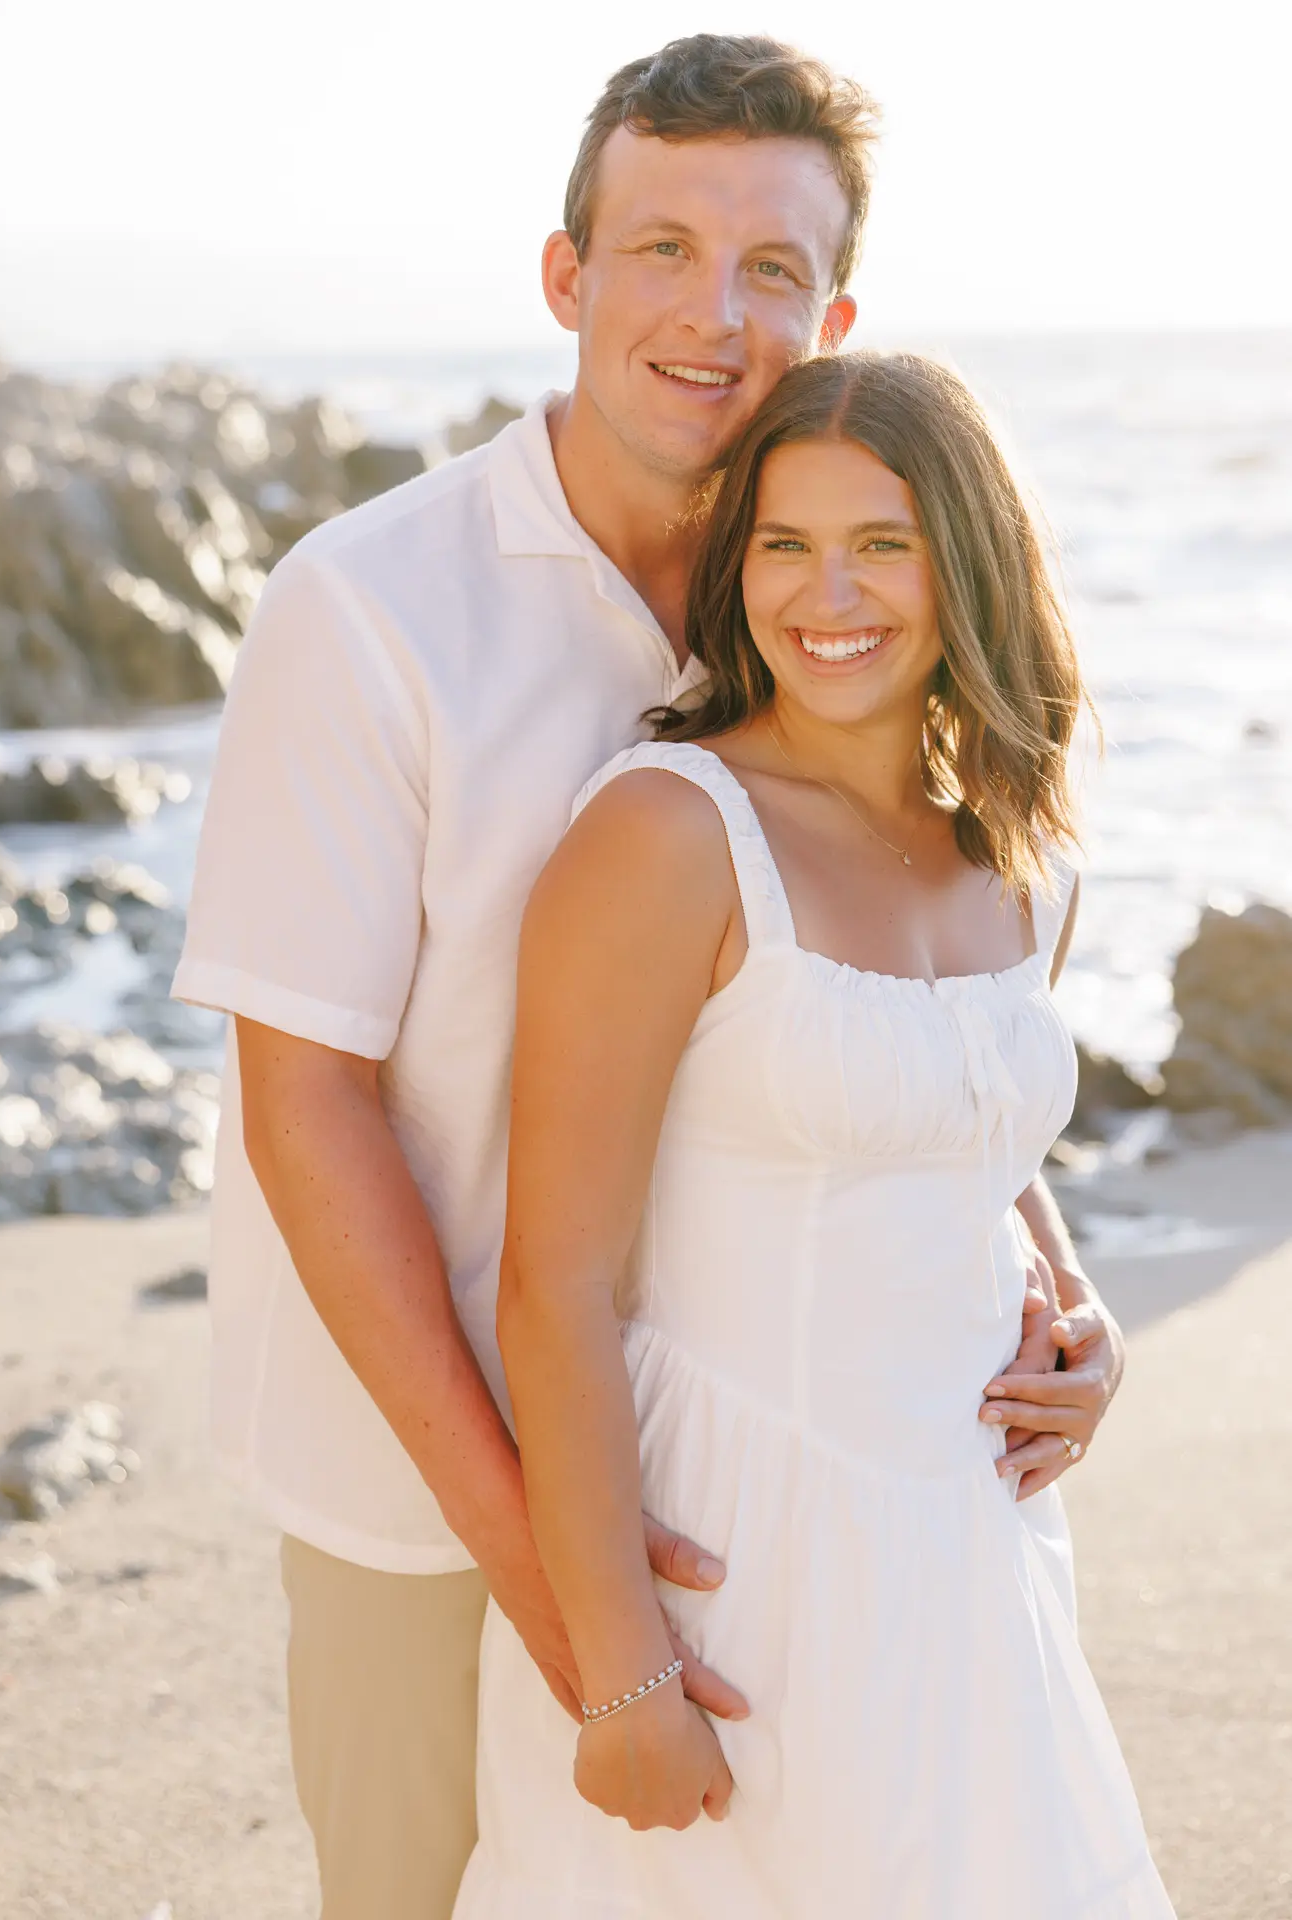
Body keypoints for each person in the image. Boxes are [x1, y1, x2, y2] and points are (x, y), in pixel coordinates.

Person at [172, 35, 1124, 1920]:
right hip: (418, 1464)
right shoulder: (370, 608)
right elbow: (307, 1110)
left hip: (774, 1475)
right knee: (420, 1890)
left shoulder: (813, 595)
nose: (715, 311)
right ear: (566, 278)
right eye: (662, 248)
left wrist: (1051, 1278)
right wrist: (566, 1592)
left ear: (832, 307)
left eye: (771, 268)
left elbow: (868, 994)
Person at [454, 350, 1172, 1917]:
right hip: (733, 1570)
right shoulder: (665, 831)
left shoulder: (1024, 855)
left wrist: (1077, 1312)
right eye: (783, 543)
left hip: (970, 1565)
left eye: (881, 543)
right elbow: (555, 1279)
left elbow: (965, 1129)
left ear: (967, 562)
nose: (823, 593)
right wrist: (619, 1672)